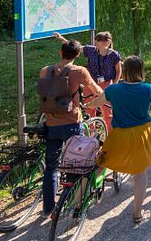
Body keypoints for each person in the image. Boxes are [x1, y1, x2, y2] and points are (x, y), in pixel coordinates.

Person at [87, 56, 151, 223]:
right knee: (140, 173)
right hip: (141, 133)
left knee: (100, 164)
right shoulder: (148, 89)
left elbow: (96, 103)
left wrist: (87, 106)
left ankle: (78, 199)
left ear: (123, 71)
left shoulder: (113, 90)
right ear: (141, 70)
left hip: (119, 134)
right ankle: (137, 213)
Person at [39, 40, 103, 216]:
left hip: (51, 124)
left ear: (60, 52)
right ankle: (73, 203)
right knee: (76, 164)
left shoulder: (45, 70)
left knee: (51, 167)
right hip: (71, 124)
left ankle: (49, 209)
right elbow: (96, 89)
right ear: (77, 55)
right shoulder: (80, 71)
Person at [53, 31, 121, 130]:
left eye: (104, 40)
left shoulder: (114, 54)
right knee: (89, 109)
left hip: (106, 83)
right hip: (91, 83)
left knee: (107, 111)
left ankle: (111, 135)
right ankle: (91, 135)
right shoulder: (90, 50)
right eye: (99, 40)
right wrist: (61, 38)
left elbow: (118, 71)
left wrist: (114, 85)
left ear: (109, 42)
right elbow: (74, 48)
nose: (101, 42)